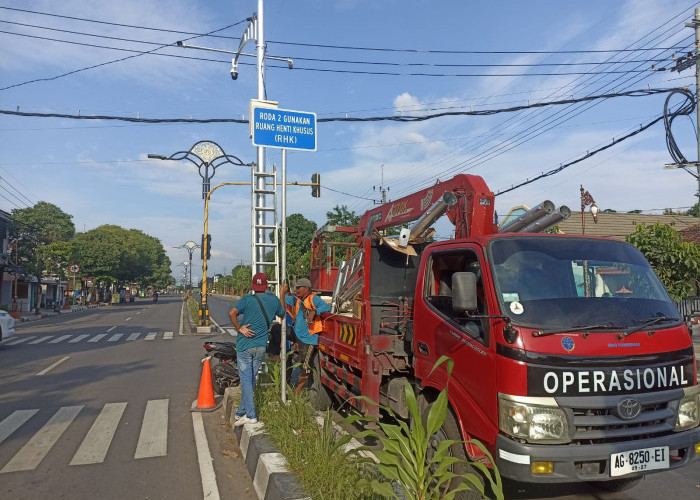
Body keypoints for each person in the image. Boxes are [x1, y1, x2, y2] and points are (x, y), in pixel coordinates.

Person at [228, 273, 284, 426]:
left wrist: (239, 328)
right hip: (260, 346)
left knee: (246, 379)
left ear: (253, 285)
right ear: (266, 285)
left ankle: (251, 415)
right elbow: (282, 313)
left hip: (245, 345)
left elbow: (232, 313)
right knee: (251, 378)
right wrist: (283, 294)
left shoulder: (247, 300)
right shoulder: (274, 300)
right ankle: (241, 411)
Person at [279, 277, 331, 394]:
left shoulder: (314, 299)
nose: (297, 290)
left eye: (299, 288)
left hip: (308, 338)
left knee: (305, 366)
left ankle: (298, 392)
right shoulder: (297, 300)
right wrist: (282, 292)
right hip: (296, 333)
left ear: (306, 288)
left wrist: (314, 311)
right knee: (277, 331)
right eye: (296, 288)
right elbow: (283, 304)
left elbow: (327, 307)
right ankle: (284, 378)